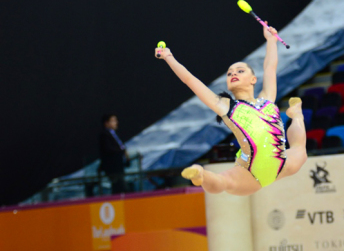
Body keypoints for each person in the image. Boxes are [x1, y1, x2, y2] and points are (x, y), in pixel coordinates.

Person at [154, 24, 307, 196]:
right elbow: (189, 80)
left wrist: (271, 40)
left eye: (240, 71)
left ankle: (297, 115)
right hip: (251, 173)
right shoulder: (228, 107)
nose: (233, 73)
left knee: (300, 151)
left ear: (253, 79)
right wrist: (169, 57)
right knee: (223, 182)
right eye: (229, 73)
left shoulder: (268, 99)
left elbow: (270, 67)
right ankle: (200, 175)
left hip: (282, 165)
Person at [99, 114, 130, 194]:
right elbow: (108, 149)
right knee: (120, 187)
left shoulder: (114, 134)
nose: (116, 123)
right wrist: (122, 151)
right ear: (106, 123)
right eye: (113, 121)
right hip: (113, 167)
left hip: (119, 166)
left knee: (119, 188)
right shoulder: (104, 135)